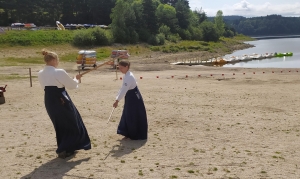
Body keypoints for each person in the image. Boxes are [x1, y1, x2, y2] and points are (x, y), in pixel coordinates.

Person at [38, 49, 91, 159]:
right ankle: (65, 148)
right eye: (57, 60)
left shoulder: (41, 73)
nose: (57, 62)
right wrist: (76, 79)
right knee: (72, 123)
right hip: (61, 99)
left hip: (49, 100)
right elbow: (71, 85)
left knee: (60, 125)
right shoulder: (59, 72)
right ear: (53, 60)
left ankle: (66, 147)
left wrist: (73, 80)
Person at [113, 60, 148, 140]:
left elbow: (124, 90)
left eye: (121, 68)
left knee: (132, 115)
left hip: (134, 98)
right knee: (128, 114)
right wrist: (116, 98)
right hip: (130, 96)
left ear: (126, 67)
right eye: (119, 68)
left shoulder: (129, 77)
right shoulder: (126, 75)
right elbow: (122, 88)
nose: (120, 70)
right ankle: (128, 133)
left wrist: (117, 101)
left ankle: (134, 134)